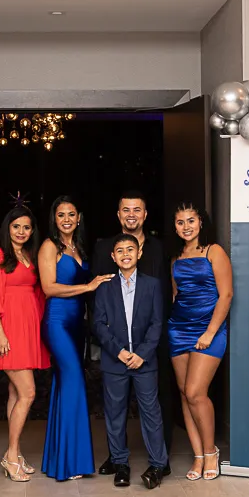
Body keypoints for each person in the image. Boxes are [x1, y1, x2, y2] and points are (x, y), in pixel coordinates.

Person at [91, 191, 174, 478]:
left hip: (144, 360)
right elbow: (99, 323)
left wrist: (142, 353)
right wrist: (119, 351)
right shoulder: (104, 286)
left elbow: (157, 322)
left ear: (139, 253)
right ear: (112, 256)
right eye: (120, 251)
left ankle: (158, 464)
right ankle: (120, 463)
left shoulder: (152, 285)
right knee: (115, 414)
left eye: (131, 250)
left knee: (151, 412)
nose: (126, 255)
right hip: (115, 360)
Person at [39, 196, 113, 481]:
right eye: (61, 215)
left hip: (77, 324)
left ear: (78, 218)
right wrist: (87, 287)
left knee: (65, 385)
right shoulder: (50, 246)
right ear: (54, 219)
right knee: (74, 381)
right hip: (57, 322)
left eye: (71, 214)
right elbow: (48, 287)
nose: (67, 219)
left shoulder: (79, 247)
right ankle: (70, 463)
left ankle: (60, 460)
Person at [0, 205, 50, 482]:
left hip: (28, 328)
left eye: (26, 227)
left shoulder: (29, 255)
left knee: (15, 393)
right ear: (7, 228)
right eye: (16, 226)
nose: (21, 232)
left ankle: (16, 453)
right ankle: (10, 456)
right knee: (28, 393)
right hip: (8, 330)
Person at [168, 203, 232, 481]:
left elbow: (226, 295)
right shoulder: (176, 258)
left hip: (209, 329)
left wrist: (209, 332)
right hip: (178, 329)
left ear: (201, 222)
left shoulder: (213, 251)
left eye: (191, 220)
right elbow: (176, 296)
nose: (186, 226)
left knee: (196, 392)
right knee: (185, 393)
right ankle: (197, 455)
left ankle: (210, 452)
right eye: (180, 222)